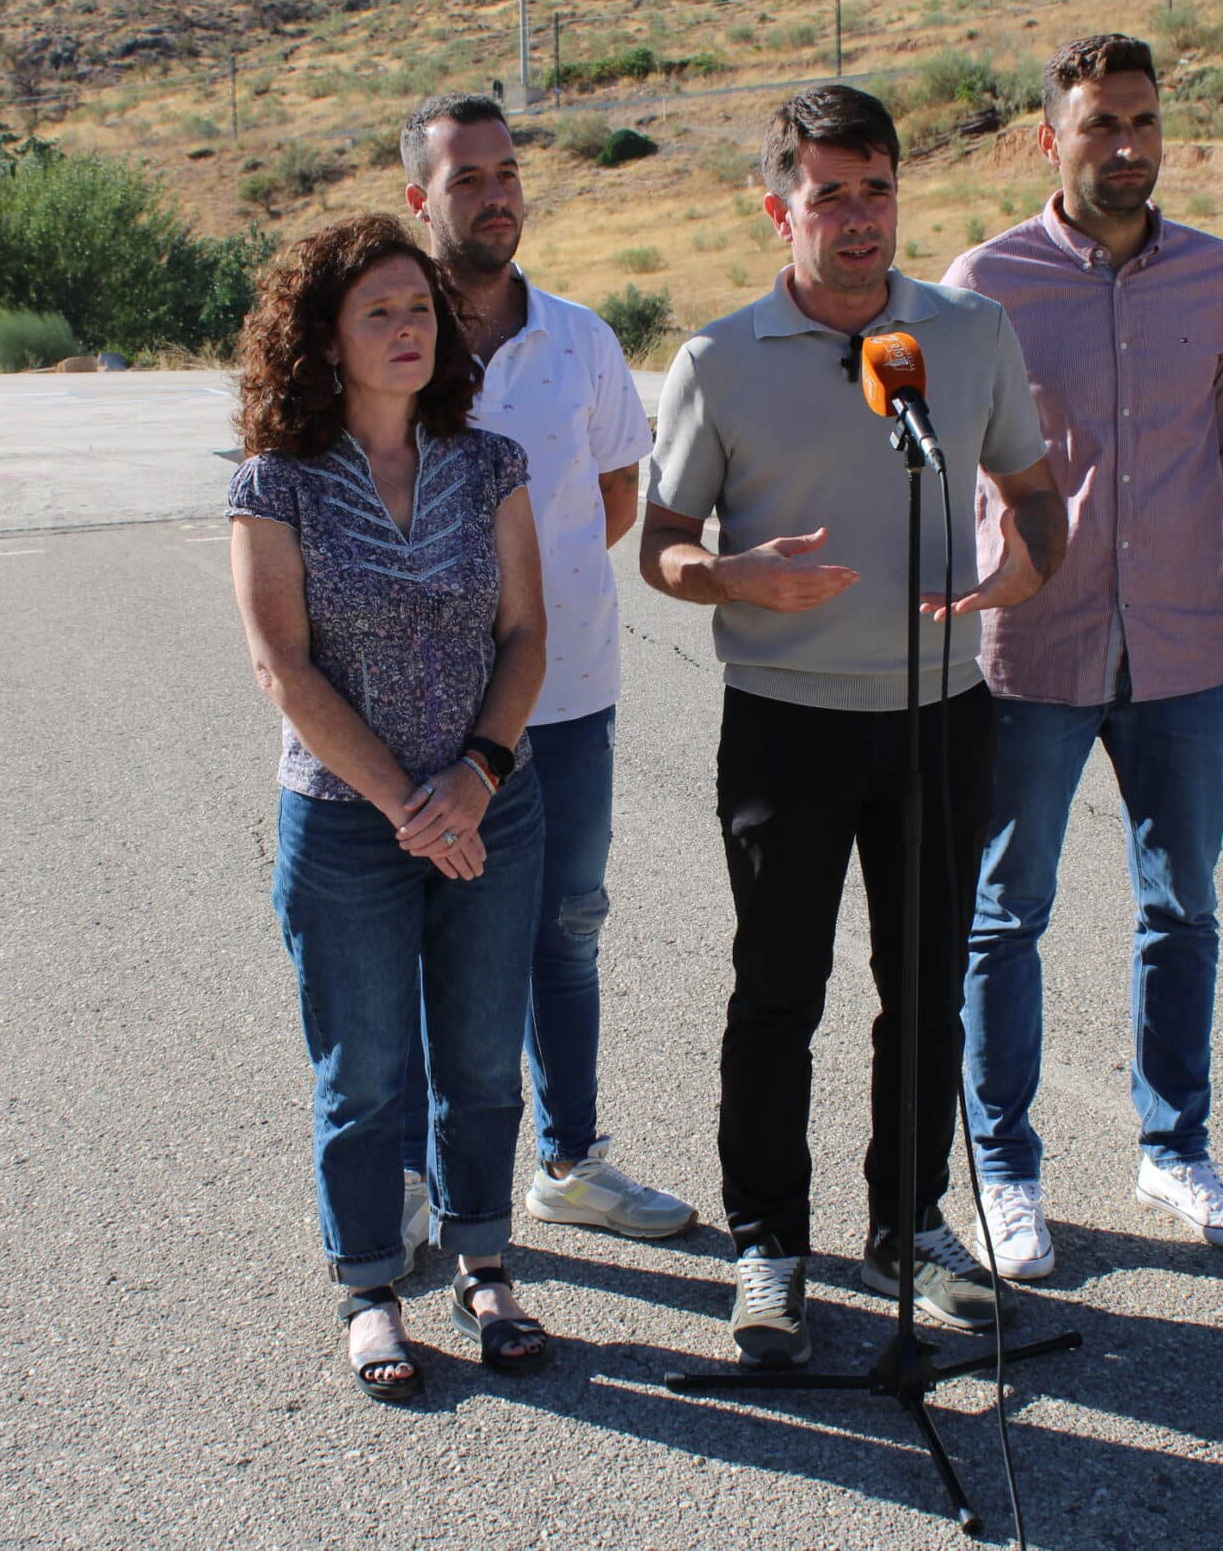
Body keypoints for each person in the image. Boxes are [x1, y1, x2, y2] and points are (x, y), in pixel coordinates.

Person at [640, 85, 1068, 1367]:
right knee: (779, 994)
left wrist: (1025, 570)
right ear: (779, 208)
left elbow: (1032, 492)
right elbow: (662, 544)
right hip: (786, 725)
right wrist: (729, 574)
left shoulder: (967, 333)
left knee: (925, 992)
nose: (859, 217)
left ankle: (907, 1226)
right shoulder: (718, 360)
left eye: (876, 189)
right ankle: (769, 1244)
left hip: (941, 715)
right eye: (828, 194)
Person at [945, 33, 1223, 1275]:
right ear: (1050, 138)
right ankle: (1004, 1172)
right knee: (1003, 913)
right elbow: (953, 461)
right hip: (1033, 648)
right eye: (1098, 124)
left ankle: (1174, 1149)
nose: (1125, 146)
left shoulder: (1219, 277)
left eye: (1141, 122)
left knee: (1182, 908)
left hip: (1182, 643)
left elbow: (1217, 440)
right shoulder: (985, 285)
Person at [226, 215, 555, 1403]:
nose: (407, 328)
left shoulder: (490, 463)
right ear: (323, 338)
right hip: (345, 826)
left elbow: (527, 634)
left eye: (419, 308)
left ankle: (484, 1268)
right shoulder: (275, 483)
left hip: (489, 809)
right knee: (363, 1072)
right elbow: (283, 667)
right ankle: (370, 1287)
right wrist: (411, 805)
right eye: (377, 311)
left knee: (481, 1059)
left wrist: (475, 777)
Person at [391, 93, 695, 1254]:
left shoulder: (577, 339)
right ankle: (418, 1180)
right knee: (428, 941)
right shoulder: (387, 335)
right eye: (465, 178)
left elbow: (614, 496)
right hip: (420, 707)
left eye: (507, 171)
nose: (495, 195)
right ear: (419, 198)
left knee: (565, 927)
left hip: (566, 694)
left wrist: (528, 601)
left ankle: (571, 1162)